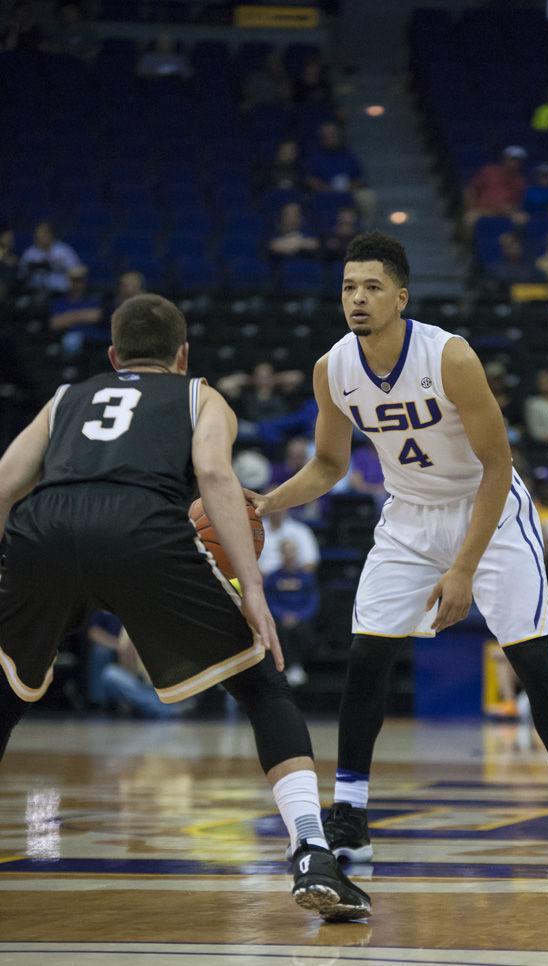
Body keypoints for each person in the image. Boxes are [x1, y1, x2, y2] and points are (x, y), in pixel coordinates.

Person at [248, 231, 548, 871]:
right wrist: (264, 504)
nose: (357, 299)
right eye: (347, 287)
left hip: (490, 510)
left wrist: (464, 569)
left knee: (533, 662)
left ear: (400, 296)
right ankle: (351, 818)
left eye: (370, 287)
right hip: (410, 519)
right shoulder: (332, 368)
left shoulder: (449, 357)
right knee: (368, 656)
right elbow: (330, 464)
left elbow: (499, 465)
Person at [0, 292, 370, 922]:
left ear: (114, 355)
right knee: (263, 687)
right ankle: (311, 850)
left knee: (8, 689)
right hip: (143, 525)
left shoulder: (65, 397)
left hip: (47, 524)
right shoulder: (200, 394)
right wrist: (251, 587)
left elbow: (7, 479)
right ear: (183, 354)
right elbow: (216, 477)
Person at [265, 540, 320, 687]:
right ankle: (287, 667)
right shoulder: (272, 578)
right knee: (280, 631)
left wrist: (299, 616)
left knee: (302, 631)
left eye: (292, 551)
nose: (289, 555)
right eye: (286, 551)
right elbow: (269, 601)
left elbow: (312, 601)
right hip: (280, 619)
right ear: (281, 554)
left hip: (301, 618)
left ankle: (297, 666)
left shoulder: (306, 577)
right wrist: (283, 615)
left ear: (296, 554)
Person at [462, 146, 528, 234]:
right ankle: (469, 247)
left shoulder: (520, 181)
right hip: (482, 210)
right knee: (469, 219)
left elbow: (518, 202)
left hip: (504, 212)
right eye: (512, 159)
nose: (515, 163)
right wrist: (471, 207)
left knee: (522, 219)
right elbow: (471, 189)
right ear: (505, 158)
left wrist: (511, 209)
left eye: (518, 160)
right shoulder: (489, 171)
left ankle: (511, 245)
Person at [49, 265, 107, 357]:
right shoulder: (60, 301)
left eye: (80, 280)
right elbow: (55, 323)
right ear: (68, 281)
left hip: (91, 338)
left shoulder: (93, 299)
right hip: (69, 339)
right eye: (74, 280)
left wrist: (69, 317)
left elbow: (96, 316)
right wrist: (83, 315)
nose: (77, 284)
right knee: (71, 340)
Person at [19, 221, 81, 294]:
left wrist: (56, 265)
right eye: (39, 233)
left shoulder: (63, 251)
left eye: (45, 233)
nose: (42, 236)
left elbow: (77, 271)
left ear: (51, 234)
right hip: (35, 292)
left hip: (61, 293)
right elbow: (21, 274)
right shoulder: (29, 253)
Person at [259, 507, 320, 576]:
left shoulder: (301, 530)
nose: (276, 510)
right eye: (273, 506)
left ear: (286, 507)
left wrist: (292, 577)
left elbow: (310, 562)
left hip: (295, 578)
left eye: (280, 506)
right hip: (264, 581)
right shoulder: (256, 530)